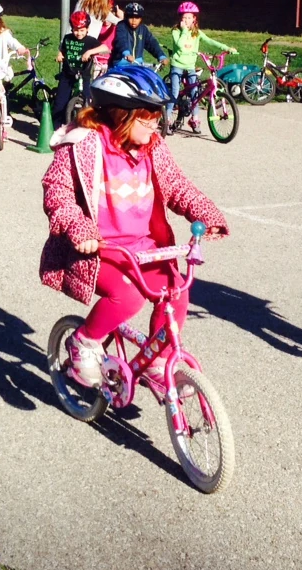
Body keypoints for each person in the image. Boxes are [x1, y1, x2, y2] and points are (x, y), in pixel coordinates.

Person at [38, 64, 229, 387]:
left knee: (177, 291)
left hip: (144, 247)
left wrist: (205, 213)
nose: (155, 123)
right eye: (147, 116)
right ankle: (84, 342)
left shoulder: (152, 147)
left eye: (158, 115)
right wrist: (79, 228)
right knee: (128, 297)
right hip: (100, 249)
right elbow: (57, 191)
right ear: (121, 114)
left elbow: (177, 186)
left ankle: (158, 359)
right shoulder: (84, 144)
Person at [167, 1, 236, 123]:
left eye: (189, 17)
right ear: (180, 19)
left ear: (194, 19)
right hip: (177, 65)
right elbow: (180, 45)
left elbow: (210, 41)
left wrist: (227, 48)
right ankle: (166, 118)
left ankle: (195, 119)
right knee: (175, 91)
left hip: (190, 66)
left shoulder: (197, 33)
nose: (187, 20)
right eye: (184, 17)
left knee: (195, 93)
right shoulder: (176, 31)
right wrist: (184, 30)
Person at [53, 10, 108, 120]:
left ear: (87, 29)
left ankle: (85, 124)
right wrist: (59, 54)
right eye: (76, 30)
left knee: (87, 102)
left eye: (82, 30)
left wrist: (90, 52)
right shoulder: (68, 38)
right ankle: (57, 127)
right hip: (68, 74)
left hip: (84, 75)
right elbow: (62, 49)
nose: (79, 33)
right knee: (60, 103)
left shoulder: (90, 41)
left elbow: (106, 48)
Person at [75, 0, 121, 71]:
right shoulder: (102, 10)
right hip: (88, 46)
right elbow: (119, 22)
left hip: (75, 41)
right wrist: (122, 16)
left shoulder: (81, 3)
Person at [109, 2, 167, 68]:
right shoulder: (121, 26)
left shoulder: (143, 29)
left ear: (141, 19)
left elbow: (151, 43)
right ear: (126, 17)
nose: (134, 20)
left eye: (137, 18)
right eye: (131, 17)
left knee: (152, 77)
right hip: (120, 64)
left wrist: (161, 56)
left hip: (137, 64)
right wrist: (126, 54)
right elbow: (121, 40)